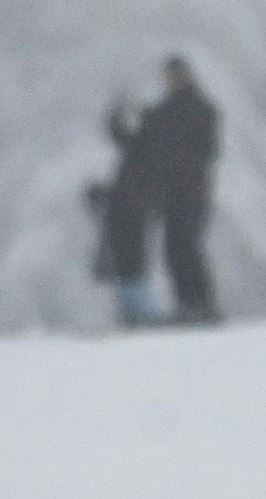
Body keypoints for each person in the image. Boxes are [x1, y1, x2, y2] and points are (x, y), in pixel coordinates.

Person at [136, 58, 221, 327]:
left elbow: (206, 149)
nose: (171, 80)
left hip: (191, 191)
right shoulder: (166, 111)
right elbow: (143, 141)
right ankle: (188, 304)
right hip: (172, 193)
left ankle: (201, 304)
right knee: (174, 249)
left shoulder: (198, 108)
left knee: (187, 246)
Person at [88, 100, 159, 329]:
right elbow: (119, 134)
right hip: (128, 214)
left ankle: (140, 315)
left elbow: (132, 189)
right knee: (127, 264)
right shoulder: (145, 149)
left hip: (130, 215)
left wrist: (107, 196)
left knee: (129, 264)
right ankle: (136, 314)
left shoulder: (145, 151)